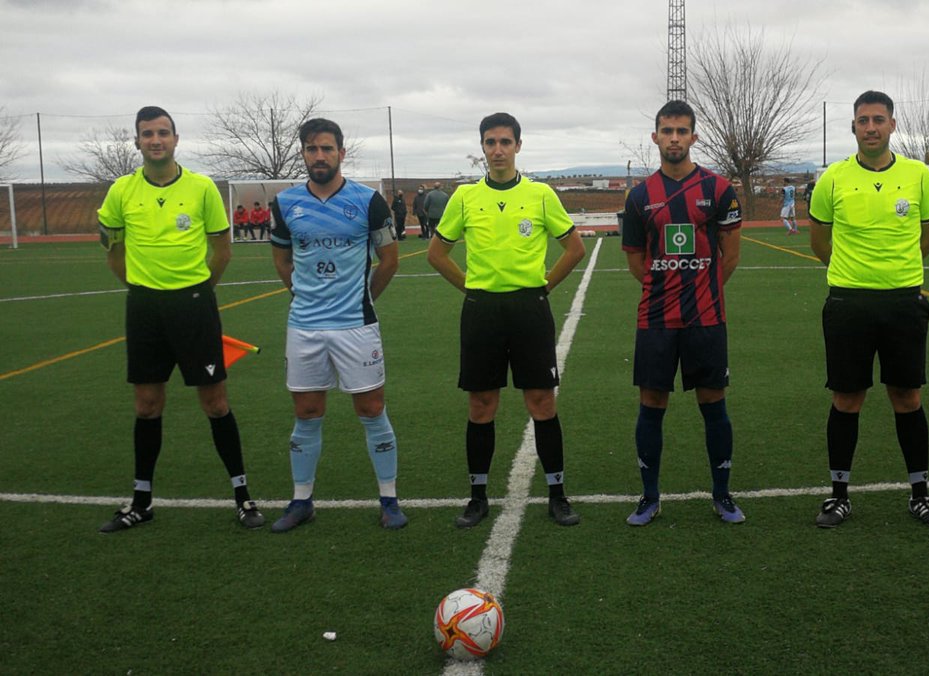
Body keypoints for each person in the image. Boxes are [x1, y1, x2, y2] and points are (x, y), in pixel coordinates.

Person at [96, 105, 263, 532]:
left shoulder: (202, 187)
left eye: (163, 132)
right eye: (147, 133)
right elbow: (113, 251)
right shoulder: (120, 191)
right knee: (147, 405)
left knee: (216, 403)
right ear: (137, 140)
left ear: (175, 139)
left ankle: (243, 498)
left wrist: (198, 291)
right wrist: (141, 287)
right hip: (144, 309)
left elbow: (222, 251)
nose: (156, 140)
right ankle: (141, 502)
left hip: (193, 307)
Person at [427, 112, 586, 528]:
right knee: (482, 405)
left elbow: (575, 248)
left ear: (518, 145)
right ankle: (477, 497)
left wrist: (544, 286)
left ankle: (557, 495)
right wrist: (470, 288)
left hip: (530, 309)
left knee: (542, 402)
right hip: (482, 312)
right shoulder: (465, 197)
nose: (497, 150)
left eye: (505, 142)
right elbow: (436, 254)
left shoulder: (540, 194)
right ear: (482, 147)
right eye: (490, 142)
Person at [807, 90, 929, 528]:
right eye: (863, 120)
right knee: (847, 399)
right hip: (848, 303)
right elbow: (819, 241)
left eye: (879, 120)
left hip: (904, 302)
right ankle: (838, 496)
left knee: (908, 397)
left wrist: (896, 270)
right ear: (853, 126)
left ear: (892, 125)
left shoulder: (918, 175)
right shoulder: (833, 178)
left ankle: (920, 495)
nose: (871, 128)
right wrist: (852, 272)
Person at [268, 118, 406, 532]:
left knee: (371, 409)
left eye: (327, 148)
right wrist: (303, 295)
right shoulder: (285, 203)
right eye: (312, 149)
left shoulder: (368, 201)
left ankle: (389, 499)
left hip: (355, 326)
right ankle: (301, 501)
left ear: (341, 153)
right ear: (303, 154)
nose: (320, 156)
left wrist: (362, 299)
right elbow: (282, 260)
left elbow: (389, 260)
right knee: (307, 412)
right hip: (305, 326)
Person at [620, 100, 745, 526]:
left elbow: (730, 256)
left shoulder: (719, 189)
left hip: (706, 317)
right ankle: (649, 497)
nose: (674, 138)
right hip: (655, 319)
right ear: (655, 137)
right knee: (651, 402)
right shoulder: (640, 197)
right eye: (667, 131)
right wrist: (666, 288)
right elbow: (636, 260)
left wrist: (700, 290)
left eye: (681, 131)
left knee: (713, 402)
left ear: (693, 136)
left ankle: (722, 495)